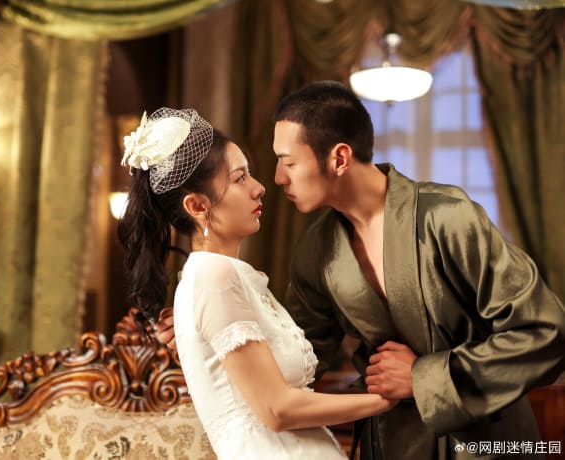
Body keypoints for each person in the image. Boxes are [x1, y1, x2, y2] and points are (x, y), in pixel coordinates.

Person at [157, 81, 565, 459]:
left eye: (288, 162)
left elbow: (546, 330)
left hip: (491, 442)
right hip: (393, 446)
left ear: (339, 158)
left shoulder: (447, 218)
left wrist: (424, 379)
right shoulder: (315, 251)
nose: (276, 179)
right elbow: (297, 356)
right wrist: (209, 331)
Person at [117, 107, 397, 460]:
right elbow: (277, 410)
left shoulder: (226, 276)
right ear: (197, 206)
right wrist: (386, 399)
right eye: (240, 178)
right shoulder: (214, 277)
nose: (260, 187)